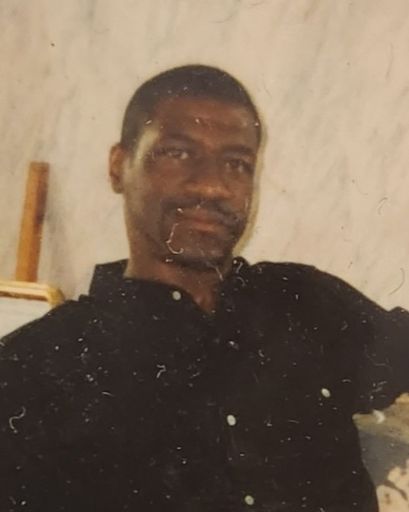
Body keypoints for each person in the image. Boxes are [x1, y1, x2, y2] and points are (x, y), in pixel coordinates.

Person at [0, 65, 408, 512]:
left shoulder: (304, 301)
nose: (213, 185)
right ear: (118, 166)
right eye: (178, 153)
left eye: (237, 164)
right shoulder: (38, 368)